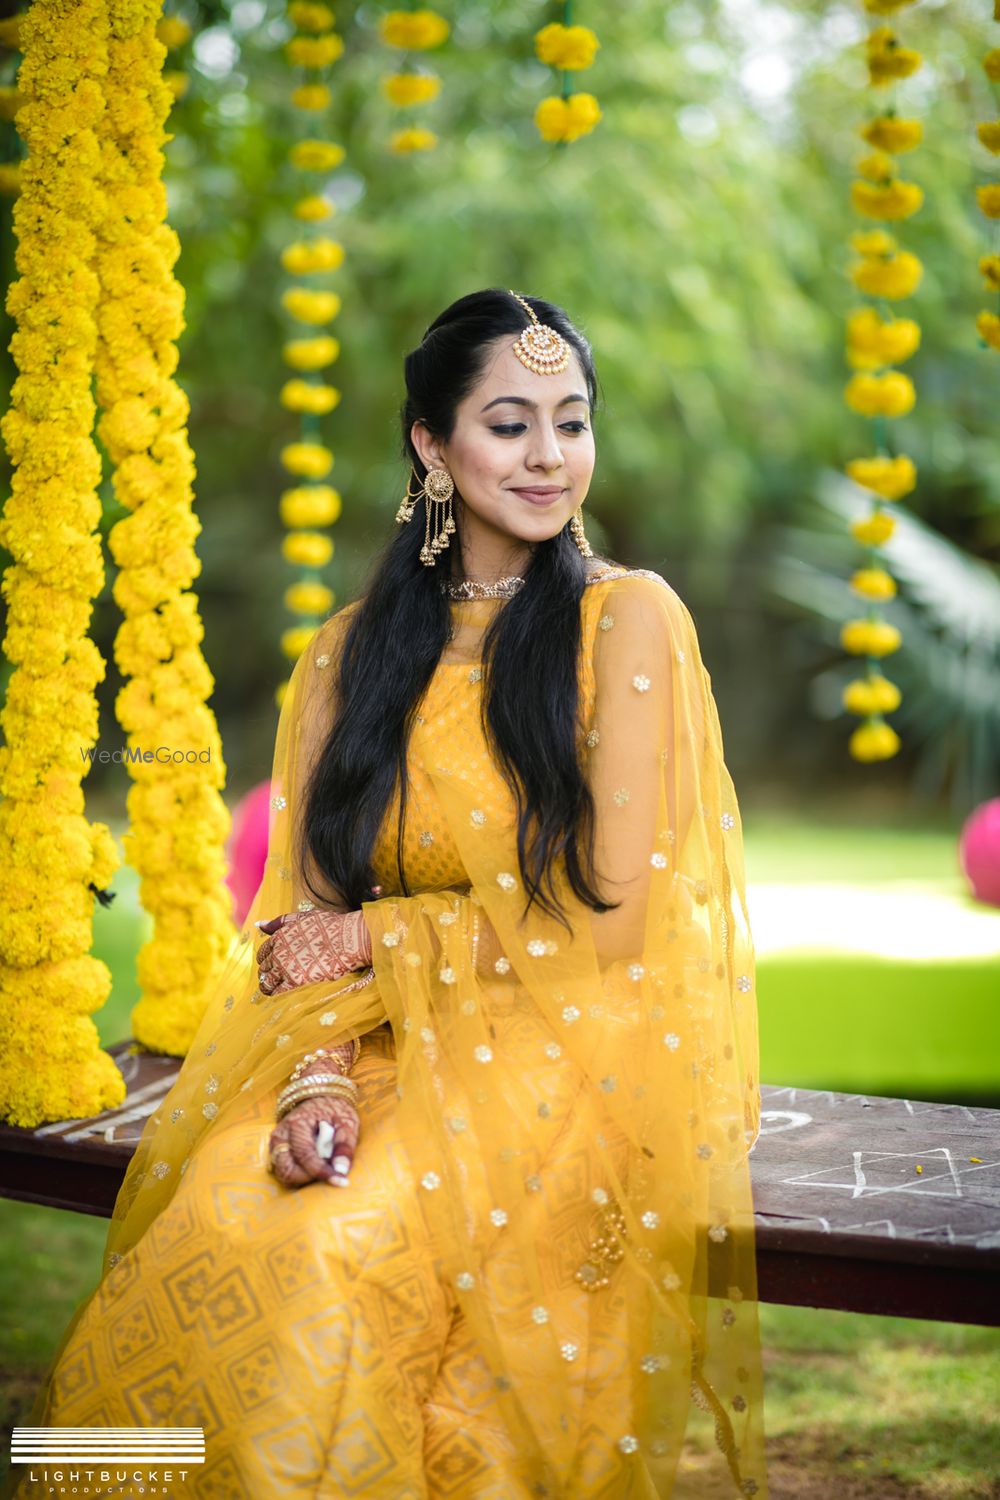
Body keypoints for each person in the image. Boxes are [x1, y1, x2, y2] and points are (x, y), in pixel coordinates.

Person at [12, 289, 767, 1499]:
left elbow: (610, 916)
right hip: (357, 1046)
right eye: (509, 423)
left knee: (336, 1251)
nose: (548, 457)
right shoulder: (350, 654)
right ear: (430, 443)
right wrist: (316, 1082)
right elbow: (298, 916)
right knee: (218, 1215)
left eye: (571, 423)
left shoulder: (627, 622)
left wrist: (375, 935)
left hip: (556, 1051)